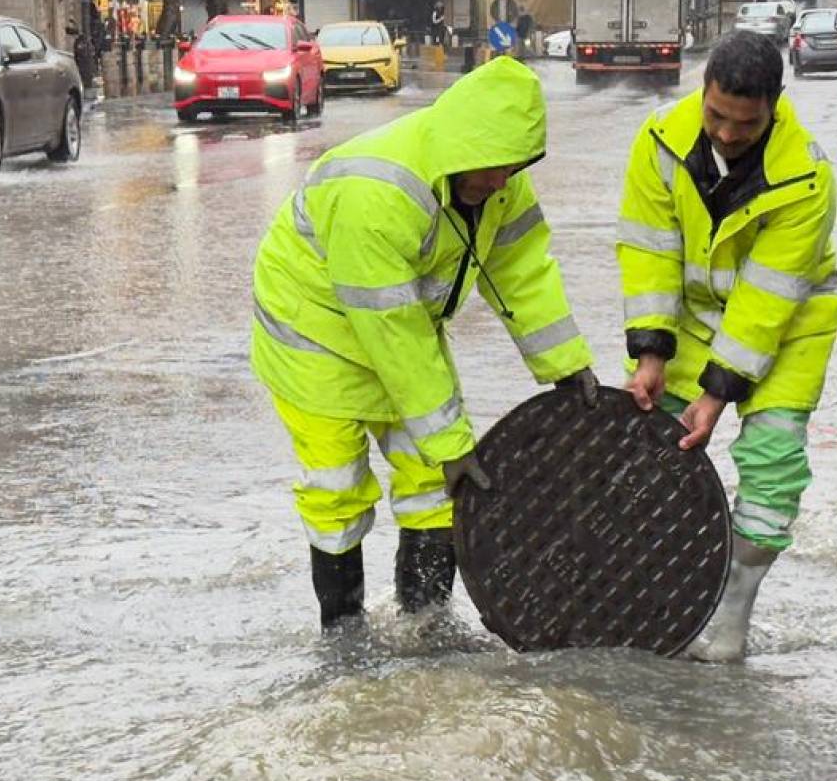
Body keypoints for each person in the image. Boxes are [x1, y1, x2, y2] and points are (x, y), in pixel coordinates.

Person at [251, 57, 598, 632]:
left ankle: (425, 627)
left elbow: (522, 270)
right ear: (459, 147)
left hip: (399, 326)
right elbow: (394, 334)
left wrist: (566, 364)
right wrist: (451, 441)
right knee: (337, 486)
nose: (499, 183)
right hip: (314, 336)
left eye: (512, 168)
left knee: (438, 485)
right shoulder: (376, 191)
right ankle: (344, 633)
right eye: (490, 170)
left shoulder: (499, 174)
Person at [615, 31, 837, 662]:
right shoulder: (661, 140)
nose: (724, 133)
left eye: (743, 124)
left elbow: (768, 299)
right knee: (652, 457)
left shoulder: (807, 176)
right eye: (715, 114)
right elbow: (649, 251)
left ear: (773, 106)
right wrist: (652, 355)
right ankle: (665, 602)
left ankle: (732, 615)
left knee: (772, 467)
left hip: (789, 325)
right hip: (690, 320)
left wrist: (717, 395)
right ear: (704, 89)